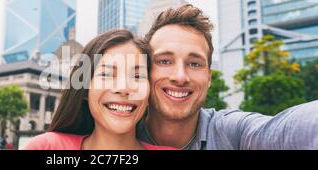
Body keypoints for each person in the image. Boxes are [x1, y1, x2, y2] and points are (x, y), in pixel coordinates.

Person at [137, 4, 318, 150]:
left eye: (194, 64)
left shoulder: (232, 133)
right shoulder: (118, 132)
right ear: (144, 72)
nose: (180, 76)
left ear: (208, 78)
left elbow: (281, 132)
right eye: (165, 61)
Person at [24, 29, 176, 150]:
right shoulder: (45, 148)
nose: (123, 88)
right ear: (84, 89)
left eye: (137, 76)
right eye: (107, 74)